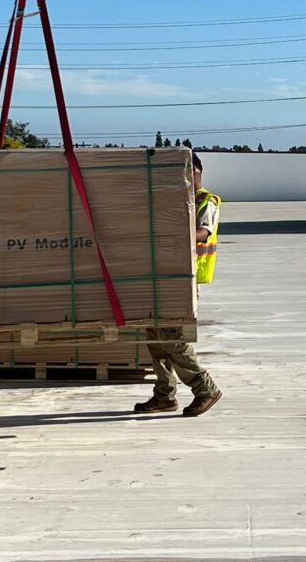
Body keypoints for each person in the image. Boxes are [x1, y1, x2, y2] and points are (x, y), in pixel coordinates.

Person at [135, 152, 222, 417]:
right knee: (154, 334)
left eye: (189, 173)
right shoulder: (174, 201)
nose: (185, 178)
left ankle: (204, 387)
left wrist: (166, 234)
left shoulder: (208, 201)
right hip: (163, 274)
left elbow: (202, 233)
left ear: (198, 172)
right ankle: (164, 395)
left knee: (172, 338)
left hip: (186, 278)